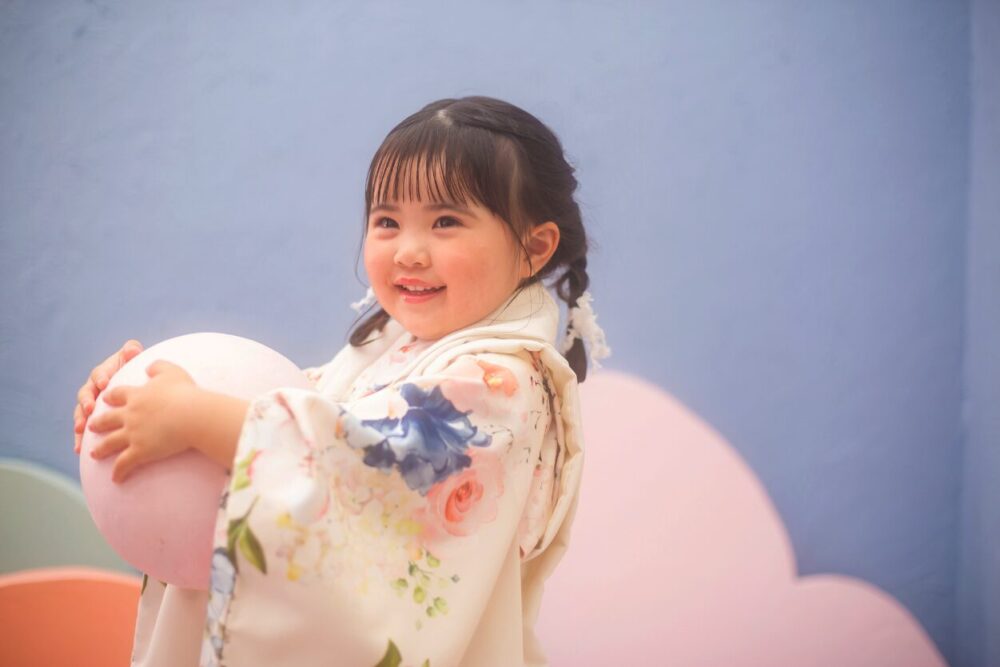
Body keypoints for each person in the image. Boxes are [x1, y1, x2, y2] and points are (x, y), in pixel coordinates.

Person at [73, 96, 610, 667]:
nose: (409, 252)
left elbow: (365, 456)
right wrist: (132, 395)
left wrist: (193, 416)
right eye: (387, 222)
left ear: (533, 247)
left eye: (446, 222)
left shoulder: (503, 382)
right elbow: (284, 402)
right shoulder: (393, 352)